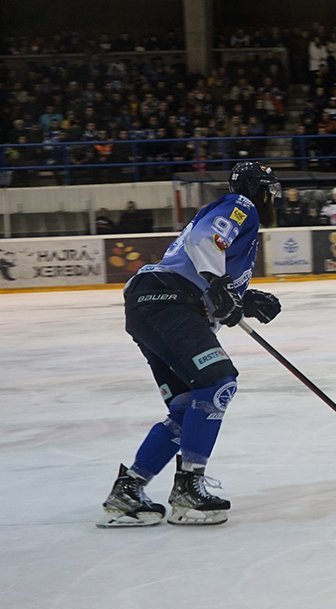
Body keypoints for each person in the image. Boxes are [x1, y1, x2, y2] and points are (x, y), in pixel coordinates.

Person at [99, 161, 284, 527]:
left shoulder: (236, 231)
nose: (272, 200)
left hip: (152, 304)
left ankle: (128, 490)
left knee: (188, 408)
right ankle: (188, 487)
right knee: (218, 383)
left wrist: (242, 298)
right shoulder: (241, 205)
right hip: (169, 301)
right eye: (270, 192)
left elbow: (206, 278)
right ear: (259, 190)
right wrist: (218, 284)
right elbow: (204, 240)